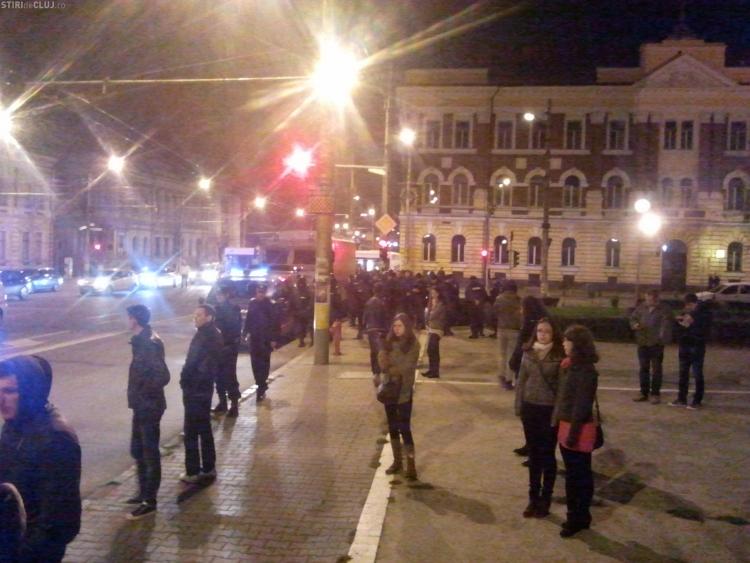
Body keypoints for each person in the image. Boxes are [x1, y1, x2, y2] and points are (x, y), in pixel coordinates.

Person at [0, 355, 81, 561]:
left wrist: (23, 555)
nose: (1, 400)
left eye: (9, 391)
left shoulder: (56, 437)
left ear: (30, 392)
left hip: (32, 554)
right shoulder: (14, 425)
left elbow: (59, 518)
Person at [514, 318, 564, 518]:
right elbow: (521, 380)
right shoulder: (528, 352)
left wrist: (556, 414)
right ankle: (533, 498)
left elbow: (562, 389)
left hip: (548, 409)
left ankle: (546, 499)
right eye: (540, 331)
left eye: (547, 331)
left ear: (554, 334)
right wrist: (518, 404)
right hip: (530, 408)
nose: (542, 335)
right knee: (534, 455)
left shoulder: (559, 355)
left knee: (548, 455)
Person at [553, 324, 599, 538]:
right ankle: (579, 516)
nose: (563, 343)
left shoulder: (586, 370)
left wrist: (572, 435)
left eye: (567, 340)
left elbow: (581, 406)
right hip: (567, 424)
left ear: (577, 344)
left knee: (578, 475)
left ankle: (577, 518)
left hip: (577, 428)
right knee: (575, 474)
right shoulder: (570, 365)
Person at [125, 304, 170, 520]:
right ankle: (142, 492)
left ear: (135, 320)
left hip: (149, 406)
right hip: (142, 405)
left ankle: (149, 501)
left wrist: (144, 394)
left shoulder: (149, 343)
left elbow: (162, 376)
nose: (127, 320)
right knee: (138, 450)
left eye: (129, 317)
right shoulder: (140, 340)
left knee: (150, 453)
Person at [180, 304, 223, 484]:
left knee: (191, 431)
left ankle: (192, 471)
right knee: (204, 429)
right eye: (195, 315)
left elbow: (195, 363)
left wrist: (186, 380)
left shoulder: (206, 336)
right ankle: (208, 467)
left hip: (196, 389)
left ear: (209, 317)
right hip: (203, 388)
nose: (195, 318)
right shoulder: (210, 333)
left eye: (199, 315)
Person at [375, 313, 420, 480]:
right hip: (390, 391)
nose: (396, 329)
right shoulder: (388, 342)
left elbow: (407, 367)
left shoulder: (413, 344)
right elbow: (381, 362)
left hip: (404, 391)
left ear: (406, 326)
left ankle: (411, 465)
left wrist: (390, 368)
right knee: (393, 427)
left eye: (400, 326)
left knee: (405, 428)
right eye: (394, 326)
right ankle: (397, 461)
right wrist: (383, 355)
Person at [630, 289, 673, 404]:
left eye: (651, 299)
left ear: (656, 298)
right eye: (647, 298)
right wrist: (635, 324)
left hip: (656, 344)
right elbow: (633, 318)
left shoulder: (664, 309)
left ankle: (655, 394)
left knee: (656, 369)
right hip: (642, 342)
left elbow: (666, 325)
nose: (648, 301)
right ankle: (643, 392)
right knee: (643, 368)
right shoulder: (641, 307)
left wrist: (661, 338)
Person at [670, 293, 712, 409]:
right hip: (685, 344)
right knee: (683, 373)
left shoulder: (704, 313)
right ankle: (681, 398)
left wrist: (692, 321)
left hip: (696, 346)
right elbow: (681, 327)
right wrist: (680, 321)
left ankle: (697, 401)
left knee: (697, 373)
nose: (686, 308)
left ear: (691, 303)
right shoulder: (687, 313)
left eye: (687, 305)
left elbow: (704, 329)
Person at [243, 284, 279, 402]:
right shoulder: (252, 303)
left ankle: (261, 385)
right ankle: (260, 383)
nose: (260, 294)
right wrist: (245, 333)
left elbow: (275, 323)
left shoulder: (270, 305)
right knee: (255, 363)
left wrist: (273, 339)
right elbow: (248, 319)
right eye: (259, 292)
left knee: (264, 363)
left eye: (262, 292)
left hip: (266, 339)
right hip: (255, 338)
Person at [213, 287, 243, 416]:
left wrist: (230, 344)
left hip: (229, 347)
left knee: (229, 376)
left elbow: (235, 329)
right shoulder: (216, 309)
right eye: (217, 294)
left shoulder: (233, 309)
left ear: (226, 295)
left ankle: (234, 405)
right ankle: (222, 403)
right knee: (218, 377)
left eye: (221, 294)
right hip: (218, 348)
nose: (218, 297)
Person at [494, 282, 522, 390]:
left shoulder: (499, 299)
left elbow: (494, 312)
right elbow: (521, 315)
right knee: (511, 355)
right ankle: (508, 379)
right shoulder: (518, 300)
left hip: (501, 329)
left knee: (502, 354)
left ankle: (501, 375)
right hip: (514, 330)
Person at [363, 284, 390, 377]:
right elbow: (385, 317)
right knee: (381, 351)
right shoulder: (382, 303)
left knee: (373, 351)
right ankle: (380, 369)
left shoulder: (368, 302)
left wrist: (365, 329)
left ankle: (375, 372)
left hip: (371, 329)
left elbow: (365, 317)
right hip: (380, 329)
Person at [422, 287, 447, 378]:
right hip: (431, 328)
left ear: (438, 293)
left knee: (433, 350)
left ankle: (435, 372)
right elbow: (427, 314)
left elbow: (432, 315)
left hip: (437, 329)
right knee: (430, 351)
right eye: (431, 293)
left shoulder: (441, 304)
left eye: (434, 293)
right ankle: (431, 370)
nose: (432, 295)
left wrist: (429, 313)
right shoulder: (431, 302)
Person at [295, 276, 313, 347]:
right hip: (303, 313)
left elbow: (311, 302)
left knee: (305, 327)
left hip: (305, 312)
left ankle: (303, 341)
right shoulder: (298, 292)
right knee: (303, 328)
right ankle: (302, 341)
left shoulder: (305, 292)